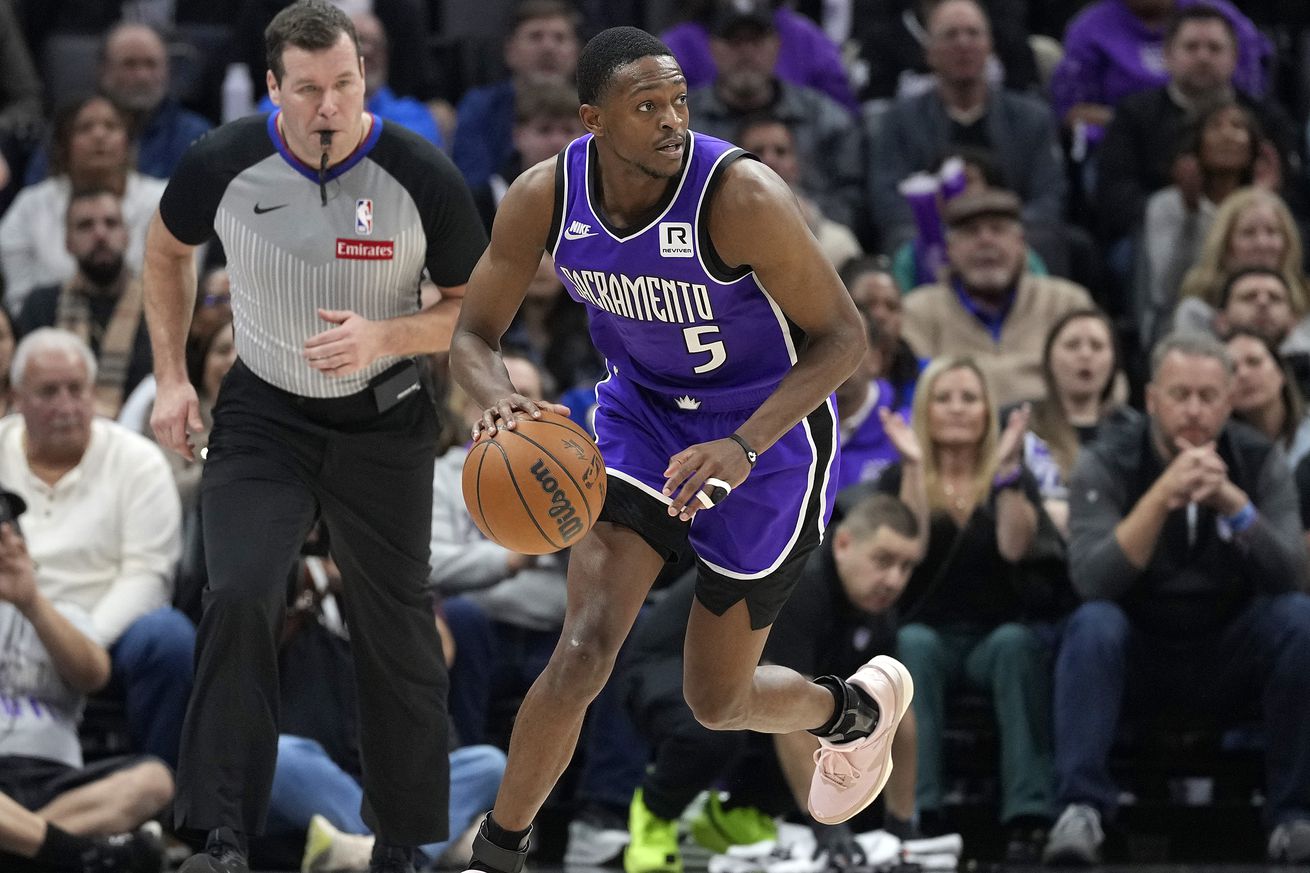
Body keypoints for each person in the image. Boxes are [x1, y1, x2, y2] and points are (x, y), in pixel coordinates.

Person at [449, 25, 909, 873]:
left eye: (678, 102)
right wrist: (499, 401)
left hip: (768, 434)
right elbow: (473, 335)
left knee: (716, 696)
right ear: (592, 121)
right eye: (646, 106)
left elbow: (845, 339)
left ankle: (848, 710)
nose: (671, 121)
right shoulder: (544, 197)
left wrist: (742, 443)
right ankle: (499, 852)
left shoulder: (742, 196)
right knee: (585, 644)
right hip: (644, 419)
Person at [141, 3, 488, 872]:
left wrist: (387, 336)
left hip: (386, 418)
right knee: (241, 592)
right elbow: (164, 250)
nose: (328, 105)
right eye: (308, 90)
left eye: (343, 84)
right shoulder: (221, 161)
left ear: (363, 78)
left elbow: (473, 315)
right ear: (273, 90)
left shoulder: (421, 173)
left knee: (396, 621)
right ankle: (221, 834)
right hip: (266, 414)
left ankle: (405, 840)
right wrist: (176, 377)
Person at [1045, 332, 1310, 865]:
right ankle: (1081, 811)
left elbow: (1290, 575)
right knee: (1092, 623)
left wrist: (1233, 502)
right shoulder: (1109, 458)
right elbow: (1093, 579)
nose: (1193, 410)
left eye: (1208, 396)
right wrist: (1163, 494)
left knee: (1298, 619)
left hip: (1229, 649)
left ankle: (1294, 815)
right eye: (1180, 394)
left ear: (1230, 400)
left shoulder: (1257, 458)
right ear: (1151, 400)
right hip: (1139, 648)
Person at [621, 492, 925, 873]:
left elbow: (895, 716)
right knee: (723, 722)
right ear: (844, 544)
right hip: (666, 667)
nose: (895, 579)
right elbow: (791, 711)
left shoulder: (878, 609)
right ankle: (654, 816)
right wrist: (829, 831)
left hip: (744, 685)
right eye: (883, 561)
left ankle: (730, 816)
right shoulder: (806, 583)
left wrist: (902, 831)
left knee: (845, 722)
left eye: (906, 566)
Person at [873, 357, 1059, 863]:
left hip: (991, 636)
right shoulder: (897, 475)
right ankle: (919, 810)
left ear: (987, 413)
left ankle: (1028, 814)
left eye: (969, 398)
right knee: (913, 647)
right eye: (944, 397)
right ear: (925, 410)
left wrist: (1004, 476)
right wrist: (914, 467)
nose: (957, 409)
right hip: (927, 634)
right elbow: (907, 553)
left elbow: (1015, 549)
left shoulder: (1011, 476)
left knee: (1018, 646)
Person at [0, 328, 190, 768]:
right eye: (48, 392)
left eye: (76, 390)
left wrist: (78, 644)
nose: (66, 406)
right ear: (17, 397)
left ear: (94, 393)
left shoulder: (139, 461)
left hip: (108, 634)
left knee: (168, 637)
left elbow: (149, 575)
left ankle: (164, 802)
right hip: (7, 626)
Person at [0, 480, 174, 873]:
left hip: (56, 778)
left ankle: (18, 845)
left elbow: (94, 676)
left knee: (154, 779)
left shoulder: (60, 612)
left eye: (9, 524)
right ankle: (75, 854)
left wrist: (30, 602)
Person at [866, 0, 1066, 256]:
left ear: (990, 46)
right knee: (903, 240)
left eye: (973, 33)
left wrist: (999, 225)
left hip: (1013, 229)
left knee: (1055, 238)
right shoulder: (897, 121)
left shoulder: (1032, 118)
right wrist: (939, 226)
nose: (963, 44)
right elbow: (887, 200)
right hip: (931, 232)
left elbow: (1049, 196)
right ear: (929, 52)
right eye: (950, 35)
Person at [1093, 5, 1299, 246]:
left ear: (1234, 58)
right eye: (1191, 47)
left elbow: (1296, 195)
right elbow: (1115, 195)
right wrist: (1181, 208)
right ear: (1167, 56)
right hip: (1157, 234)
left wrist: (1260, 200)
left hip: (1257, 231)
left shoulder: (1268, 117)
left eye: (1214, 48)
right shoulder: (1134, 113)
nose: (1203, 57)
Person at [900, 189, 1093, 408]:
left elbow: (1109, 386)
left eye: (998, 229)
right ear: (950, 250)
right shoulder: (918, 309)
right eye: (971, 232)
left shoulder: (1066, 302)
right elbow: (915, 393)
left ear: (1021, 244)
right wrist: (1037, 376)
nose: (986, 241)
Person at [0, 95, 166, 314]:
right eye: (84, 128)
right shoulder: (30, 206)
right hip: (50, 328)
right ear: (63, 145)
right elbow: (19, 300)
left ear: (128, 141)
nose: (99, 135)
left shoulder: (164, 200)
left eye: (111, 126)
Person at [16, 188, 154, 418]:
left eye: (110, 223)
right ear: (68, 242)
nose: (100, 234)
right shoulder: (40, 306)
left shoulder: (160, 304)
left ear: (127, 236)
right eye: (85, 225)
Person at [24, 23, 213, 185]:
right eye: (129, 64)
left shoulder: (196, 135)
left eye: (151, 64)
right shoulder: (68, 130)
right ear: (103, 70)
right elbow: (39, 196)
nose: (142, 76)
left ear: (167, 70)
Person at [452, 0, 581, 189]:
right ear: (510, 51)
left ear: (576, 53)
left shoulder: (597, 109)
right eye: (535, 37)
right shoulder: (480, 107)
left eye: (559, 38)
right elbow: (472, 185)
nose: (548, 48)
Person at [1225, 329, 1310, 470]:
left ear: (1280, 372)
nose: (1243, 374)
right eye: (1232, 369)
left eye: (1254, 362)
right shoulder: (1221, 451)